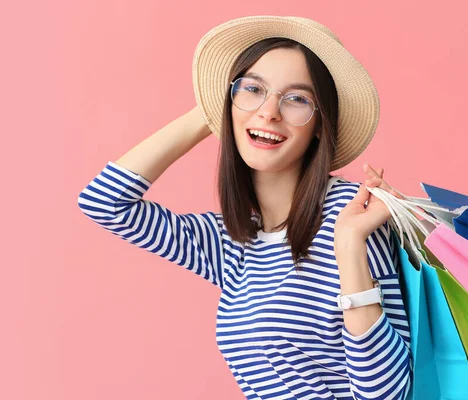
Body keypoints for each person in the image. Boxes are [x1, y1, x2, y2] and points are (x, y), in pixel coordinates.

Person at [78, 16, 411, 399]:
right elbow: (103, 202)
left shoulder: (355, 215)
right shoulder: (232, 241)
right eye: (254, 89)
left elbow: (388, 395)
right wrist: (211, 110)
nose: (269, 112)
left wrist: (350, 244)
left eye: (297, 99)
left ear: (321, 125)